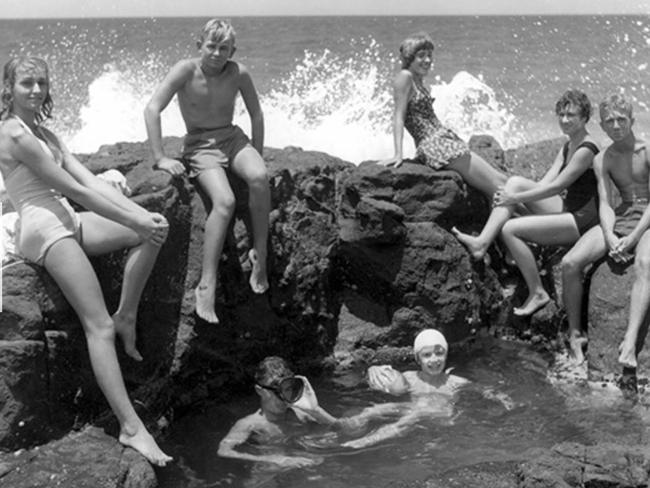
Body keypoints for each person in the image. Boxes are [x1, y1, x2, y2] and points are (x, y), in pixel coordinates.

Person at [0, 57, 172, 466]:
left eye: (42, 82)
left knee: (151, 231)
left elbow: (92, 182)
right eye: (27, 83)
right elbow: (75, 188)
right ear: (9, 87)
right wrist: (134, 217)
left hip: (68, 218)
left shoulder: (44, 132)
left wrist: (141, 219)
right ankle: (131, 428)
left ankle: (127, 314)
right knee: (98, 325)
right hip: (44, 228)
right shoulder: (11, 133)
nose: (36, 90)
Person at [144, 18, 270, 324]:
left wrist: (256, 153)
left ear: (232, 50)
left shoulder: (239, 72)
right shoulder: (185, 70)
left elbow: (256, 113)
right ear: (199, 45)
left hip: (233, 138)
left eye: (223, 48)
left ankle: (260, 256)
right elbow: (152, 109)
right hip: (200, 145)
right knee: (224, 202)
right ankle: (206, 284)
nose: (216, 53)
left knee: (259, 177)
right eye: (211, 46)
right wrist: (160, 157)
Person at [452, 90, 600, 317]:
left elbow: (557, 187)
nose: (564, 120)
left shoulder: (587, 149)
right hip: (567, 207)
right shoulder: (568, 145)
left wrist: (515, 200)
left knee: (510, 229)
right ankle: (483, 242)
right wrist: (517, 201)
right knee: (515, 182)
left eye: (571, 115)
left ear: (584, 117)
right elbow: (543, 183)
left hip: (582, 219)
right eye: (561, 114)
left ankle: (538, 291)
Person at [560, 94, 650, 366]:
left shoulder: (647, 151)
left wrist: (633, 237)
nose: (616, 125)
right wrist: (611, 236)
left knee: (645, 263)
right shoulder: (604, 159)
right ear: (601, 124)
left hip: (647, 219)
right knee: (570, 262)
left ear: (632, 120)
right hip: (622, 215)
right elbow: (606, 203)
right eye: (609, 121)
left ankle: (630, 343)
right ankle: (576, 335)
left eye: (621, 119)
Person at [379, 32, 507, 200]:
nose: (427, 60)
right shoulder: (405, 77)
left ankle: (523, 220)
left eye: (429, 55)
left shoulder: (417, 80)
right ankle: (519, 223)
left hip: (444, 141)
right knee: (500, 189)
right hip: (436, 146)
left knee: (502, 182)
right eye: (421, 56)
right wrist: (398, 154)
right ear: (409, 57)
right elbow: (398, 117)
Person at [342, 329, 514, 449]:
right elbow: (384, 379)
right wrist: (373, 370)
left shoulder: (453, 381)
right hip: (414, 410)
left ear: (446, 355)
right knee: (377, 409)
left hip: (442, 416)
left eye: (439, 353)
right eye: (427, 355)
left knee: (413, 414)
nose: (434, 359)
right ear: (418, 359)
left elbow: (483, 389)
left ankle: (369, 440)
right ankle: (348, 423)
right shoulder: (409, 377)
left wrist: (504, 398)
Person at [217, 356, 393, 467]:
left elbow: (344, 430)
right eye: (276, 392)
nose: (283, 398)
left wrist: (316, 410)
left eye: (288, 390)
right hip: (269, 470)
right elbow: (224, 451)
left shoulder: (300, 415)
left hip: (306, 467)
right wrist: (274, 460)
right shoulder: (250, 424)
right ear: (259, 390)